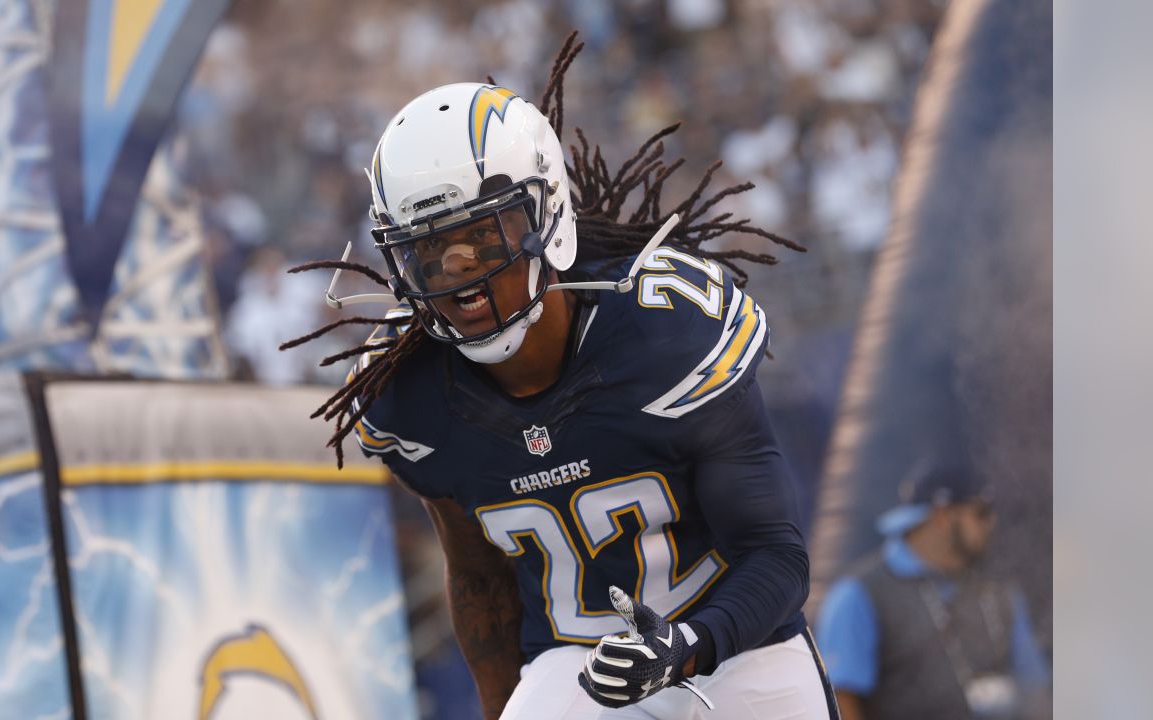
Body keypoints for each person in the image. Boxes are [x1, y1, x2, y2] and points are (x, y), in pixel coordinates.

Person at [285, 35, 837, 719]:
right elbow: (480, 581)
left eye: (482, 239)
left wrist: (686, 646)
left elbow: (777, 559)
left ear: (548, 216)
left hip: (737, 645)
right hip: (578, 668)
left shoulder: (666, 334)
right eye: (430, 255)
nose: (462, 280)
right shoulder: (412, 395)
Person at [815, 462, 1051, 720]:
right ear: (942, 515)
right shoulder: (858, 594)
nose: (991, 523)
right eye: (981, 512)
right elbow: (841, 699)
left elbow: (1035, 689)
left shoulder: (999, 590)